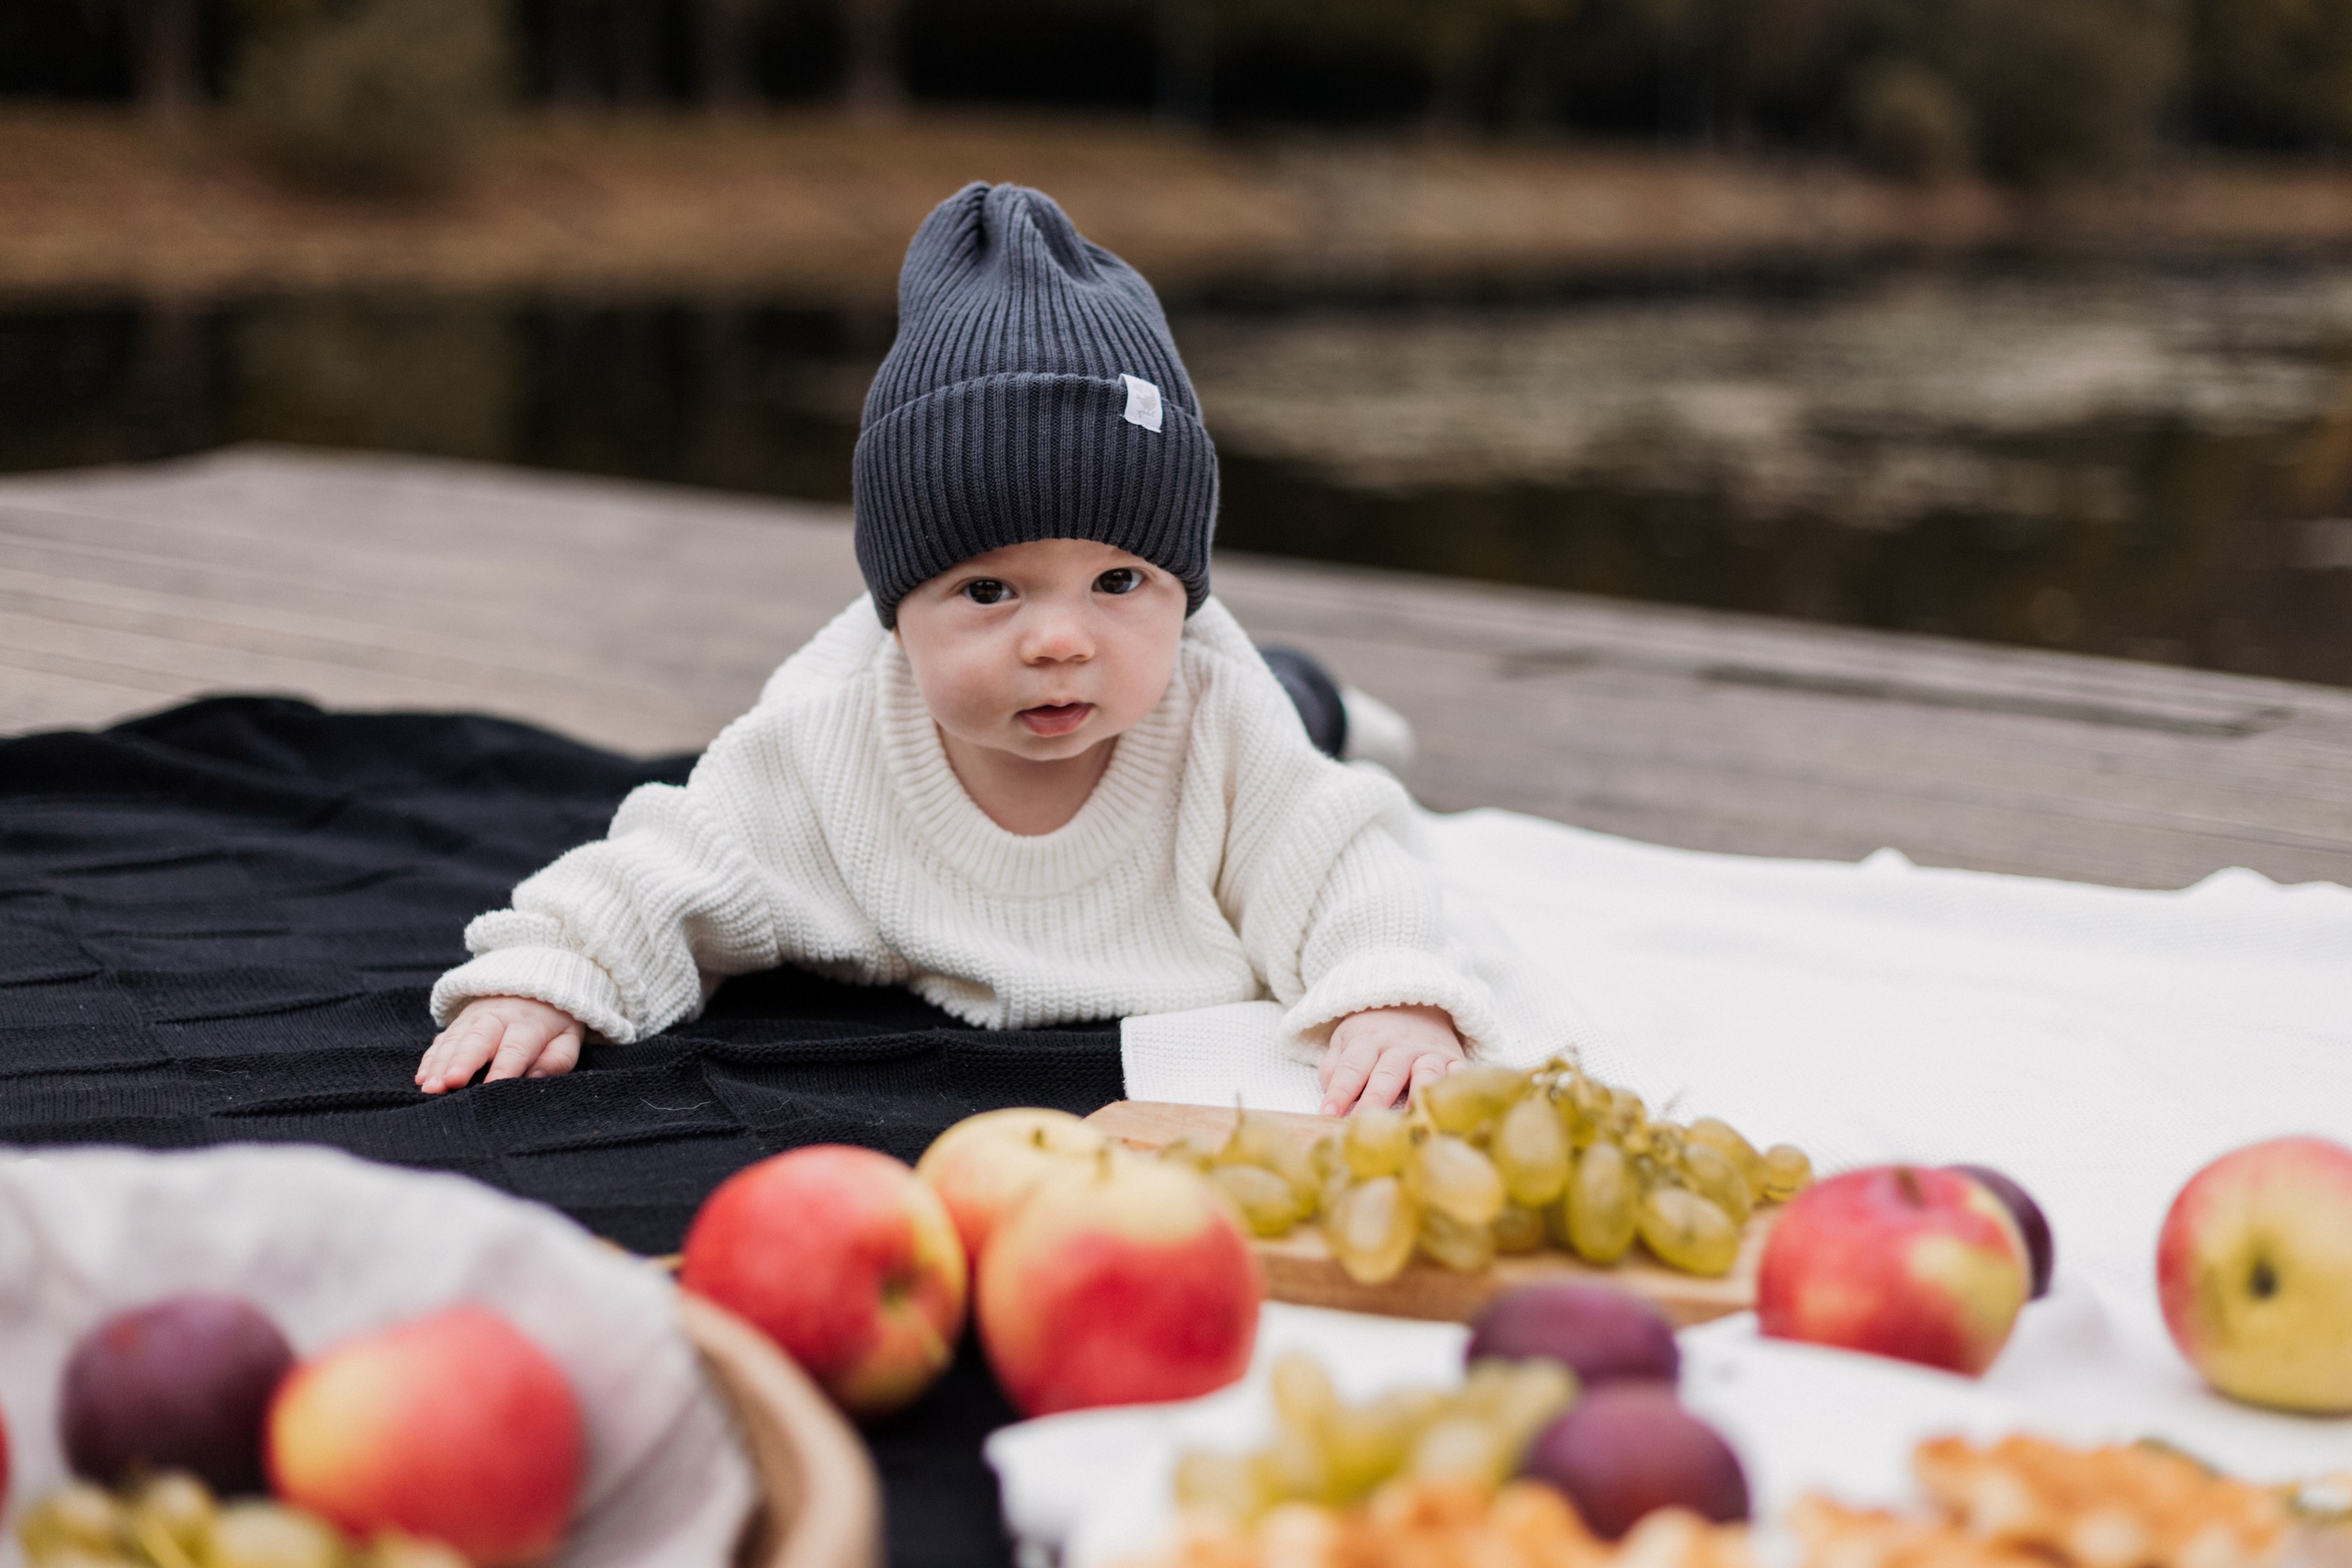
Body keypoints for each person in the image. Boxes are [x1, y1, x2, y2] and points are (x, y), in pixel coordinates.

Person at [414, 183, 1499, 1117]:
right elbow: (664, 867)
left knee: (1292, 721)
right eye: (988, 590)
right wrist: (553, 973)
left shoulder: (1214, 710)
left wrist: (1388, 990)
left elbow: (1337, 862)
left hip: (1231, 702)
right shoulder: (825, 745)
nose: (1062, 640)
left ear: (1181, 587)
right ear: (896, 607)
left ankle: (1318, 694)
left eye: (1121, 580)